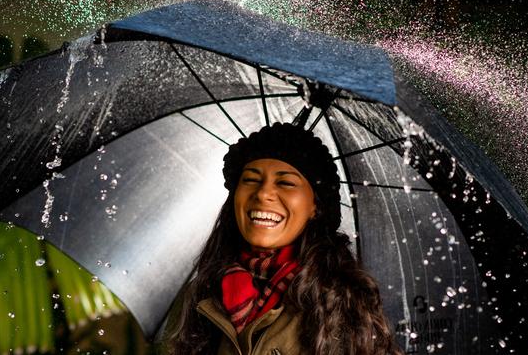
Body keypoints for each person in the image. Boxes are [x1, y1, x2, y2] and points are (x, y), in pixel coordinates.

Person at [167, 122, 401, 354]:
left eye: (286, 182)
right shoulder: (200, 294)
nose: (263, 193)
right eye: (250, 179)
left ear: (315, 207)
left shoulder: (342, 303)